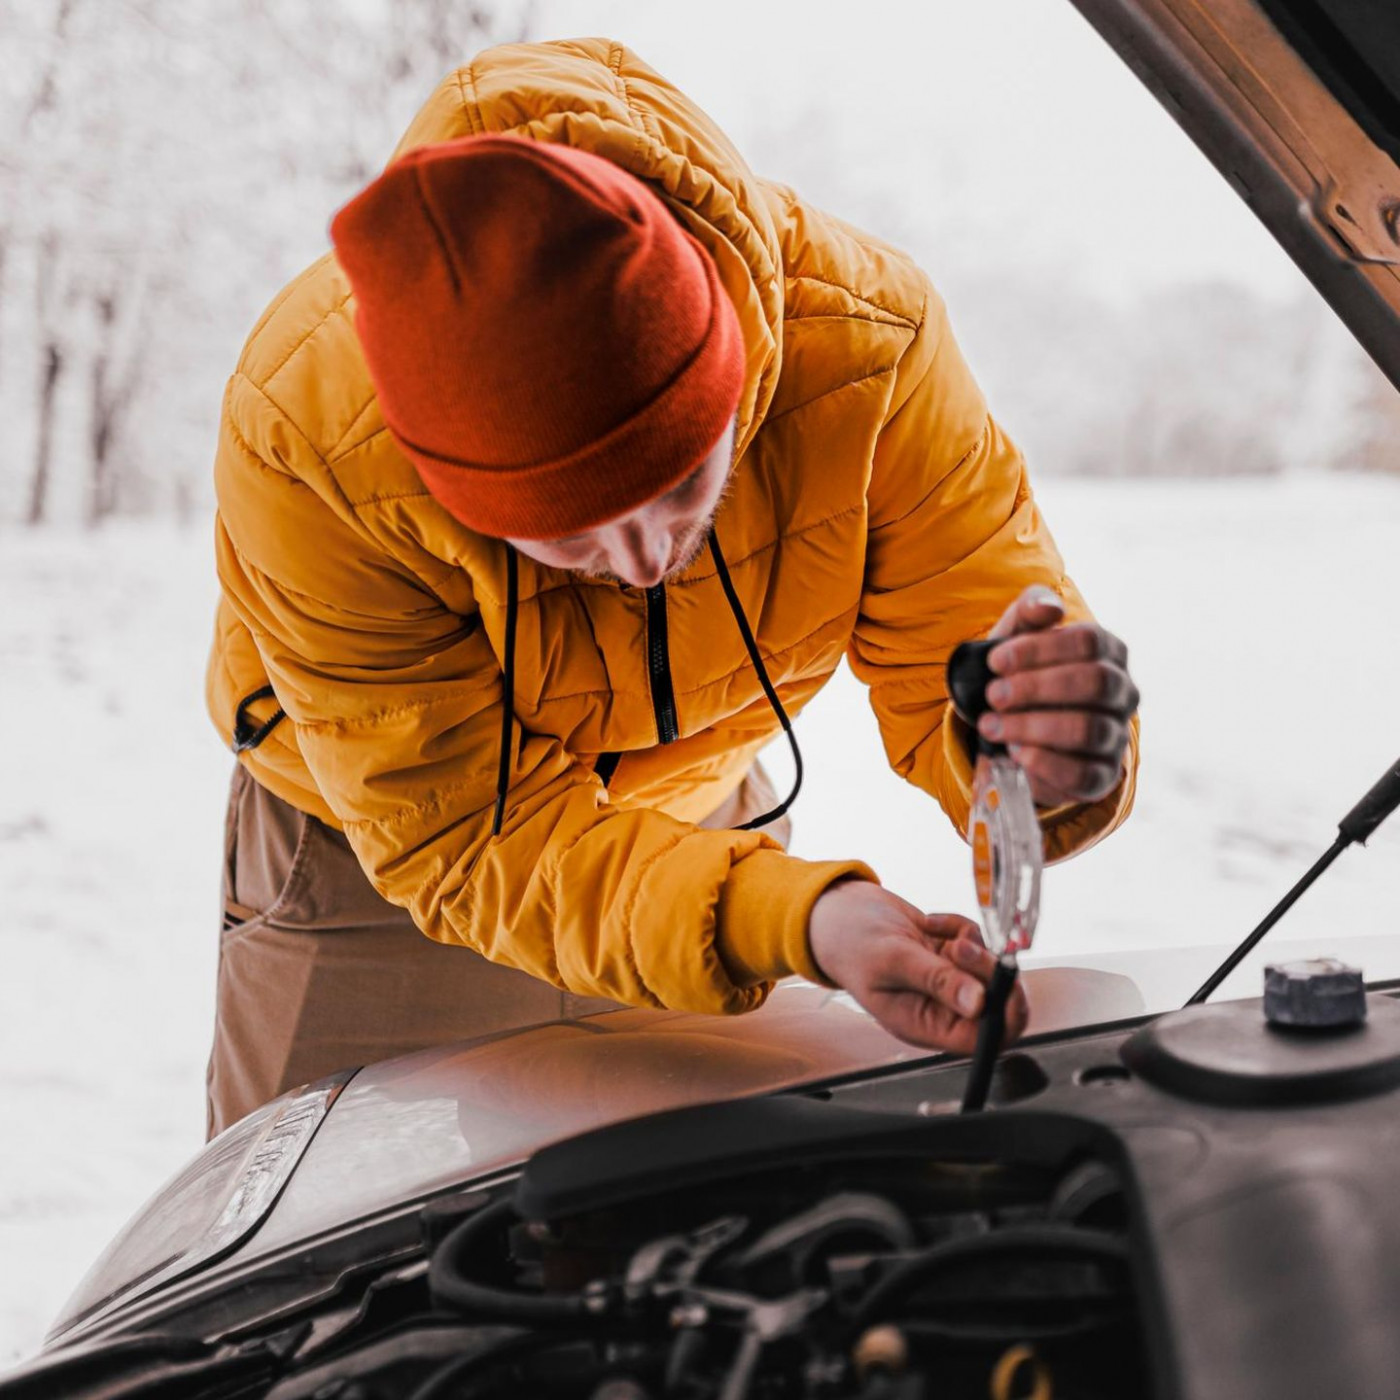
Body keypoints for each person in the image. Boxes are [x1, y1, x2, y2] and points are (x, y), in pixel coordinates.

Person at [203, 38, 1140, 1137]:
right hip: (382, 850)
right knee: (308, 1248)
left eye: (683, 476)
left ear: (735, 355)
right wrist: (788, 913)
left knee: (703, 1221)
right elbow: (468, 840)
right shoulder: (307, 431)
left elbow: (969, 661)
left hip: (702, 812)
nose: (649, 557)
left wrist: (1039, 751)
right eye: (562, 536)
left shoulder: (869, 351)